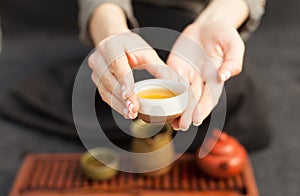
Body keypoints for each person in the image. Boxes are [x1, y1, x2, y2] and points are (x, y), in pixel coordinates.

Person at [79, 0, 270, 150]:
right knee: (106, 87)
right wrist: (112, 33)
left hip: (199, 21)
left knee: (232, 95)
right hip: (125, 17)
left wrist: (217, 20)